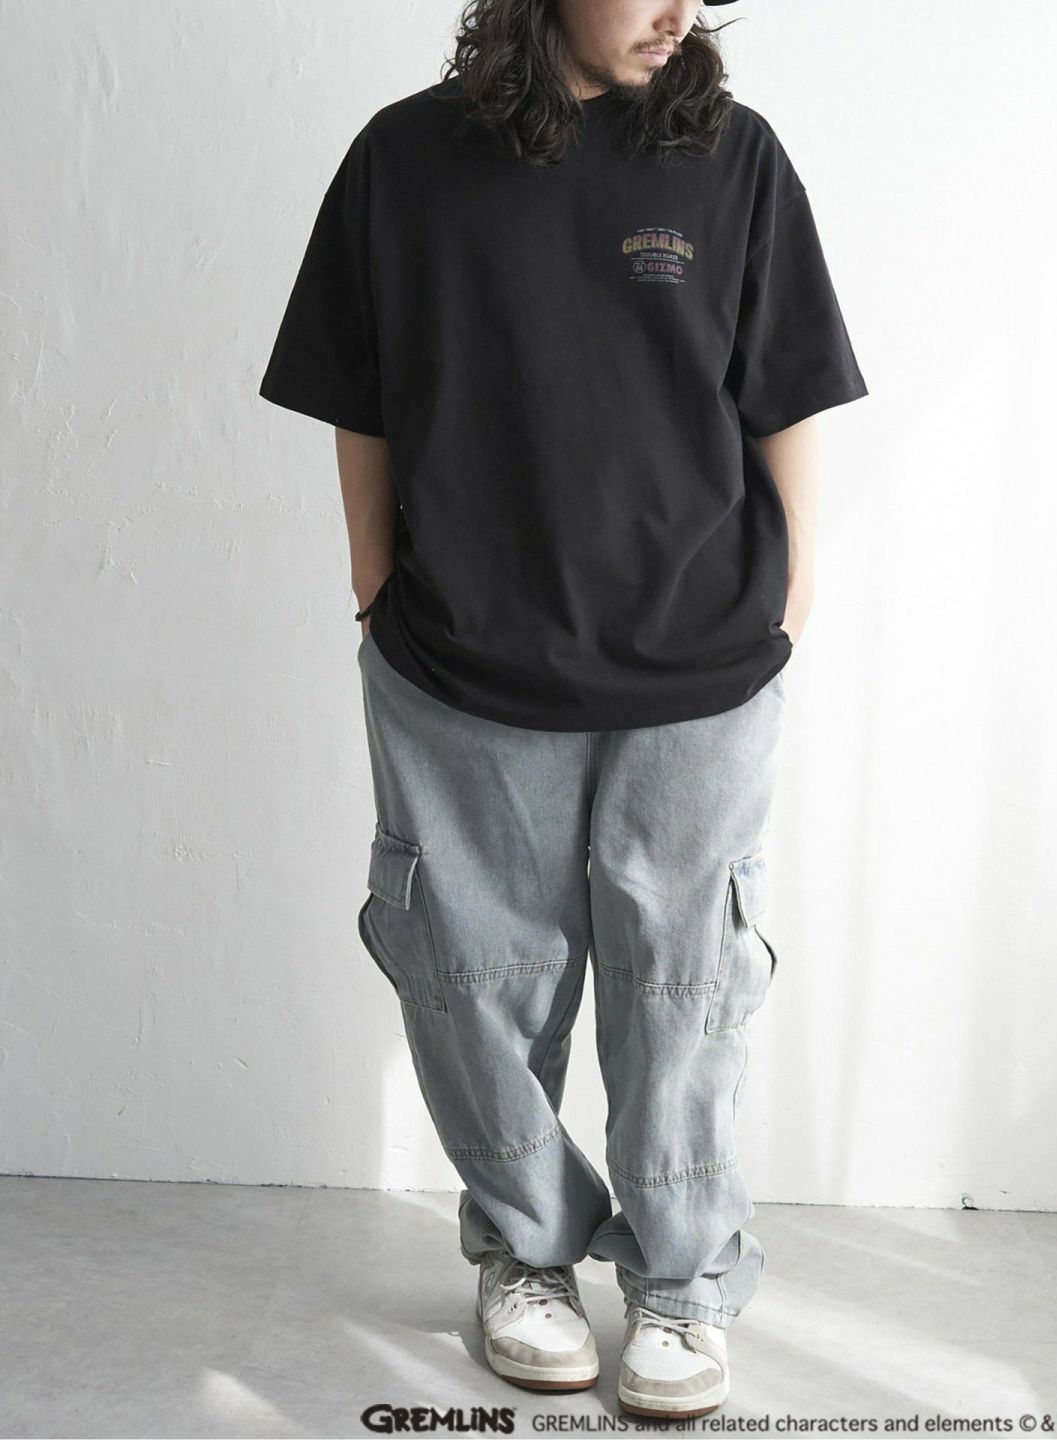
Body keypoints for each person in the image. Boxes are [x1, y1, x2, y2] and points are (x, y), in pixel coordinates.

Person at [259, 0, 867, 1419]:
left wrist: (793, 595)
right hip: (462, 660)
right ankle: (526, 1254)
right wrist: (372, 583)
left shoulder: (735, 158)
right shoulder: (404, 160)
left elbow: (785, 391)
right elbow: (359, 390)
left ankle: (681, 1282)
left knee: (683, 988)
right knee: (471, 983)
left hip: (700, 665)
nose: (679, 8)